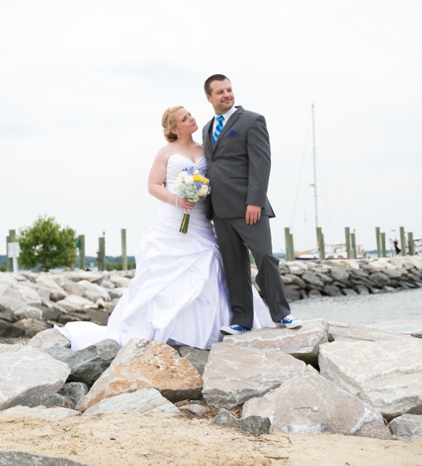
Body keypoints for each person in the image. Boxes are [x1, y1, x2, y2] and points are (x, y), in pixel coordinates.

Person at [58, 105, 270, 351]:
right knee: (165, 273)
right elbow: (153, 185)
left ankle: (225, 327)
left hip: (200, 218)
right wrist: (177, 199)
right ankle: (168, 332)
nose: (191, 118)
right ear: (173, 128)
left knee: (212, 262)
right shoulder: (166, 152)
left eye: (190, 115)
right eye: (184, 118)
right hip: (173, 217)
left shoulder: (206, 149)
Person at [201, 74, 300, 335]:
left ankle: (282, 314)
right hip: (220, 209)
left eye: (229, 90)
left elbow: (261, 162)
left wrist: (254, 201)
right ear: (209, 97)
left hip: (249, 207)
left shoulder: (252, 120)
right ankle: (242, 320)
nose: (227, 95)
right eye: (220, 92)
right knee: (234, 265)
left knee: (266, 257)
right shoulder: (207, 128)